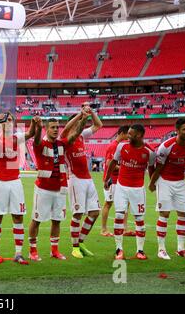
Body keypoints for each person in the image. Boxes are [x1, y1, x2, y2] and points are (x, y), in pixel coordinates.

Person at [0, 112, 38, 264]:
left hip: (15, 181)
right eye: (5, 120)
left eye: (10, 120)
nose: (8, 122)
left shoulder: (17, 138)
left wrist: (34, 122)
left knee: (18, 217)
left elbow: (31, 133)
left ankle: (18, 253)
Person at [104, 124, 155, 260]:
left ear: (139, 135)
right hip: (121, 187)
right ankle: (119, 250)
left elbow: (151, 170)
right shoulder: (122, 146)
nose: (128, 136)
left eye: (131, 134)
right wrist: (107, 178)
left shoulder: (149, 153)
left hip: (138, 189)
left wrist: (152, 183)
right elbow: (113, 162)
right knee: (119, 216)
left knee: (139, 219)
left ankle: (140, 251)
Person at [149, 118, 185, 259]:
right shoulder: (166, 146)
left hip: (180, 182)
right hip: (164, 182)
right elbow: (158, 168)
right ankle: (161, 249)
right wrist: (152, 183)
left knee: (183, 214)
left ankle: (181, 249)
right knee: (164, 214)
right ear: (177, 131)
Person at [60, 103, 103, 258]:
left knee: (94, 212)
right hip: (75, 179)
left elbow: (99, 125)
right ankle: (75, 247)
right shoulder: (64, 138)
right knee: (78, 213)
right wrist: (80, 115)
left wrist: (91, 112)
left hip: (88, 179)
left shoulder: (82, 135)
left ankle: (81, 241)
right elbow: (66, 129)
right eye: (78, 123)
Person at [28, 117, 68, 261]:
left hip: (60, 188)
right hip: (43, 188)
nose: (56, 129)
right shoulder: (41, 144)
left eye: (57, 127)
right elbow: (36, 139)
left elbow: (75, 133)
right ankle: (32, 251)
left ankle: (54, 250)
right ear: (46, 129)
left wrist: (82, 118)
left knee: (57, 220)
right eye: (52, 127)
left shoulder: (62, 144)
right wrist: (37, 127)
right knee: (36, 220)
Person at [101, 125, 135, 237]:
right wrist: (126, 167)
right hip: (111, 180)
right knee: (108, 203)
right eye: (128, 134)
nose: (129, 137)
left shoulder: (122, 146)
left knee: (126, 203)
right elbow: (108, 163)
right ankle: (104, 229)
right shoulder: (113, 146)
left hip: (120, 180)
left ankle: (124, 229)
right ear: (122, 133)